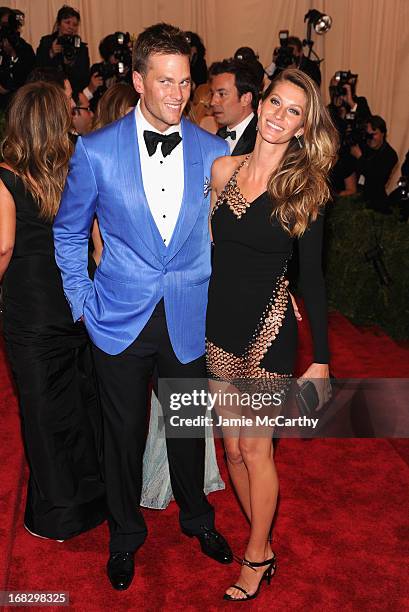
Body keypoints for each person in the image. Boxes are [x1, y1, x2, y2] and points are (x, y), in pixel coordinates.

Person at [53, 22, 233, 592]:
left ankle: (197, 519)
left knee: (186, 427)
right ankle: (125, 536)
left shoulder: (213, 149)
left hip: (187, 314)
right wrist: (82, 300)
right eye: (165, 81)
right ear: (137, 81)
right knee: (123, 435)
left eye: (185, 82)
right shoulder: (95, 149)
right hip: (119, 317)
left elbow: (228, 233)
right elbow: (68, 233)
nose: (179, 94)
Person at [206, 68, 337, 600]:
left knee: (257, 452)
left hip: (268, 333)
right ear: (259, 104)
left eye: (294, 111)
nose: (280, 116)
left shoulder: (306, 190)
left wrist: (322, 358)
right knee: (232, 452)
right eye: (275, 103)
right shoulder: (221, 170)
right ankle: (260, 538)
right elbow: (207, 250)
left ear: (305, 127)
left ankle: (257, 554)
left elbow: (315, 279)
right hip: (217, 327)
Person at [0, 81, 106, 541]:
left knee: (44, 412)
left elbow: (3, 247)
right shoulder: (78, 168)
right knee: (83, 405)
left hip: (30, 310)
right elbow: (99, 244)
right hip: (76, 304)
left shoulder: (5, 176)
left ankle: (60, 514)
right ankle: (96, 499)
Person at [209, 58, 259, 156]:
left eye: (222, 94)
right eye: (212, 94)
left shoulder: (261, 139)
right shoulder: (220, 134)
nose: (212, 102)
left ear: (246, 99)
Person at [36, 5, 90, 93]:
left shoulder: (81, 47)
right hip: (49, 92)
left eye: (75, 25)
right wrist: (51, 54)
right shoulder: (47, 42)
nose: (71, 27)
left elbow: (84, 79)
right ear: (58, 23)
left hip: (72, 93)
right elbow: (38, 70)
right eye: (67, 22)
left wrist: (69, 65)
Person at [351, 115, 398, 213]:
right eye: (368, 134)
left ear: (383, 133)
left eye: (374, 134)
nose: (371, 138)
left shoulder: (390, 155)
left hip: (376, 204)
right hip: (357, 198)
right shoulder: (363, 146)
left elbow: (376, 179)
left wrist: (360, 157)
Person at [0, 9, 35, 110]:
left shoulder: (25, 48)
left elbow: (28, 78)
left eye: (11, 25)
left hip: (16, 106)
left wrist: (12, 54)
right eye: (4, 25)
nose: (7, 29)